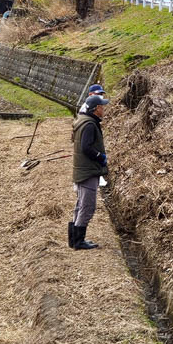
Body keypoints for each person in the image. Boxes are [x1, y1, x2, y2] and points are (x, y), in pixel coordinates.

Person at [70, 94, 109, 250]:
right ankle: (79, 242)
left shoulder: (82, 120)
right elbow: (86, 147)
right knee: (87, 206)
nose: (104, 109)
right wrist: (100, 157)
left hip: (82, 169)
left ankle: (74, 240)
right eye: (102, 106)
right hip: (88, 171)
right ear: (96, 108)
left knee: (80, 204)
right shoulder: (90, 125)